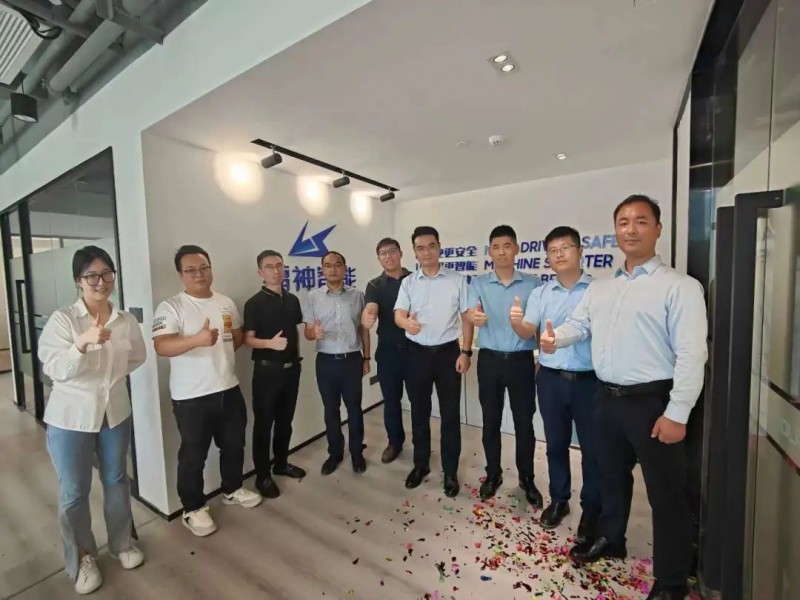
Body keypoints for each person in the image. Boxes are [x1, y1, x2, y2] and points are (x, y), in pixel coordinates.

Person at [539, 195, 707, 600]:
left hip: (654, 403)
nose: (631, 229)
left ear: (658, 229)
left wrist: (678, 412)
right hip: (605, 398)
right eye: (623, 222)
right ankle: (612, 539)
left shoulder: (680, 287)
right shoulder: (602, 288)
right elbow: (580, 324)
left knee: (666, 494)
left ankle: (671, 580)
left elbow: (692, 354)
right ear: (615, 230)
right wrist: (555, 338)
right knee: (610, 477)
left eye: (641, 221)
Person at [38, 245, 147, 595]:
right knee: (74, 491)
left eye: (107, 273)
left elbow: (138, 357)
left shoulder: (125, 320)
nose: (101, 282)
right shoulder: (64, 320)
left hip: (114, 412)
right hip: (71, 417)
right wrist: (81, 344)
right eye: (92, 275)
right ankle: (82, 558)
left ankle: (122, 544)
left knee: (116, 479)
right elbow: (53, 368)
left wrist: (110, 381)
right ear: (78, 281)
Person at [153, 245, 262, 538]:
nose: (199, 274)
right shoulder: (171, 307)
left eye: (204, 268)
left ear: (211, 269)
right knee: (193, 455)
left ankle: (232, 489)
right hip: (191, 397)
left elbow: (235, 337)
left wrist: (219, 353)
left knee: (234, 444)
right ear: (181, 275)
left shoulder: (225, 303)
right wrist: (196, 340)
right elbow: (161, 346)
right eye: (190, 270)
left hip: (228, 387)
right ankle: (193, 508)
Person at [512, 226, 600, 539]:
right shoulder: (541, 293)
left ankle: (591, 508)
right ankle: (559, 499)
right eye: (553, 250)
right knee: (555, 444)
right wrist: (516, 323)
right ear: (547, 257)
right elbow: (528, 331)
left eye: (565, 248)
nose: (559, 254)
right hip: (550, 379)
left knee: (593, 449)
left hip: (590, 380)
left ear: (580, 251)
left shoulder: (598, 290)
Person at [466, 225, 543, 507]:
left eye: (507, 246)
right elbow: (470, 312)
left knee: (524, 423)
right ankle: (493, 474)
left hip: (522, 361)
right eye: (496, 247)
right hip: (489, 361)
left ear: (517, 249)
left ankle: (527, 478)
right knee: (491, 421)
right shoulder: (478, 283)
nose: (501, 252)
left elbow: (537, 325)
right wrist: (474, 317)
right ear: (489, 252)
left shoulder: (533, 284)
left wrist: (541, 358)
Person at [394, 226, 474, 497]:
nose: (426, 252)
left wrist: (466, 352)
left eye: (431, 246)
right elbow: (398, 314)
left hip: (448, 354)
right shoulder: (408, 283)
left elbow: (467, 318)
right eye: (420, 248)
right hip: (416, 353)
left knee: (450, 415)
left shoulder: (457, 280)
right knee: (419, 412)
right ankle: (421, 464)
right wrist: (406, 323)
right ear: (414, 252)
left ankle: (450, 471)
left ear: (439, 247)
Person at [243, 250, 306, 500]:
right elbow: (248, 339)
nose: (276, 270)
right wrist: (269, 344)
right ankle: (262, 476)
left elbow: (295, 330)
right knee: (263, 425)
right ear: (261, 272)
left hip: (292, 370)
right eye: (270, 267)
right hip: (267, 372)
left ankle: (281, 463)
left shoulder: (292, 300)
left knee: (285, 421)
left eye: (279, 265)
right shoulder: (254, 303)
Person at [303, 251, 371, 475]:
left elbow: (363, 330)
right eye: (328, 265)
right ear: (322, 269)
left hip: (352, 360)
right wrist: (314, 333)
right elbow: (307, 333)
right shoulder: (313, 297)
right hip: (326, 362)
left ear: (344, 268)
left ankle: (357, 453)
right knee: (331, 410)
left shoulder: (358, 296)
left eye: (337, 264)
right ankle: (335, 453)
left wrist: (366, 358)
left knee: (354, 409)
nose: (333, 269)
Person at [361, 237, 411, 464]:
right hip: (388, 352)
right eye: (383, 253)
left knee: (419, 401)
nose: (388, 256)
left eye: (392, 251)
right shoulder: (374, 285)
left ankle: (422, 445)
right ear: (379, 258)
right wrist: (368, 315)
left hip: (415, 351)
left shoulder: (415, 279)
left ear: (401, 253)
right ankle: (395, 442)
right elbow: (371, 306)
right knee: (391, 401)